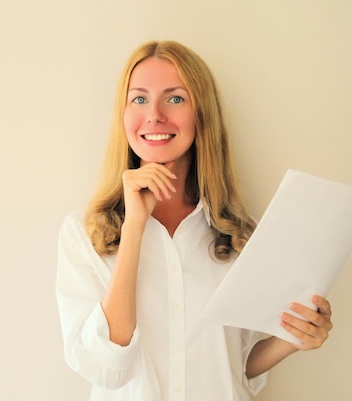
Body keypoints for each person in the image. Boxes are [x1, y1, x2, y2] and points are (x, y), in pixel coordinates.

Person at [56, 40, 333, 401]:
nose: (154, 114)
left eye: (175, 98)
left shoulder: (241, 233)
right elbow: (107, 369)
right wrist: (135, 227)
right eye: (139, 99)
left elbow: (233, 363)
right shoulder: (83, 233)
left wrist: (293, 338)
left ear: (202, 113)